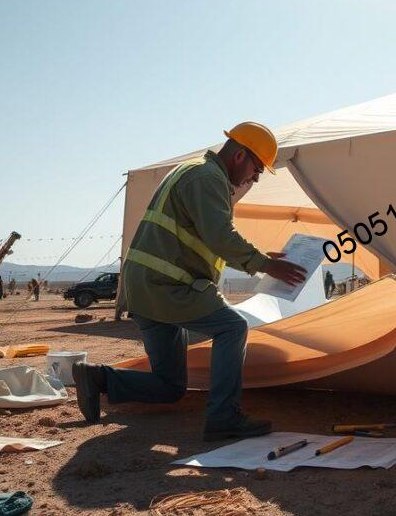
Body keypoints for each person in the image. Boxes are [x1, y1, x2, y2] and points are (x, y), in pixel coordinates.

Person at [72, 122, 307, 441]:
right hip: (167, 286)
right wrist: (265, 265)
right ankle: (224, 417)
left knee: (169, 387)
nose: (254, 179)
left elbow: (209, 237)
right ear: (240, 155)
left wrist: (262, 258)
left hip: (149, 287)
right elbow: (220, 236)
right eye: (256, 170)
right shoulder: (207, 178)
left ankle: (97, 379)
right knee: (232, 327)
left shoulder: (196, 172)